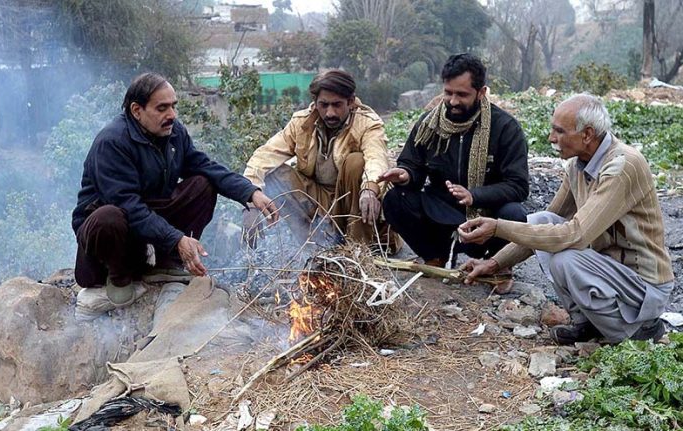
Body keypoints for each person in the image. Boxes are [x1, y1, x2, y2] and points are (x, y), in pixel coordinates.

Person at [459, 94, 674, 345]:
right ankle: (588, 324)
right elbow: (541, 229)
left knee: (565, 259)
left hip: (643, 286)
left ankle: (635, 332)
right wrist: (494, 264)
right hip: (611, 273)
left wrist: (498, 228)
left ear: (587, 134)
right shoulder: (577, 166)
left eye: (559, 132)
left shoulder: (621, 167)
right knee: (541, 220)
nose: (551, 138)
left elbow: (575, 234)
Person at [72, 72, 278, 321]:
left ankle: (167, 265)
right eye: (162, 108)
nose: (172, 115)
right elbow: (128, 206)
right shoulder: (112, 143)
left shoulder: (173, 133)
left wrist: (250, 192)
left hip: (145, 220)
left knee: (203, 184)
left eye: (173, 106)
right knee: (109, 216)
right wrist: (176, 238)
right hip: (114, 232)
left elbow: (205, 166)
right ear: (137, 110)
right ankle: (118, 276)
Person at [380, 53, 529, 283]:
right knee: (395, 199)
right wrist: (406, 174)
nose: (453, 101)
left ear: (481, 92)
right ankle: (435, 257)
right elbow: (412, 164)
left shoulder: (505, 128)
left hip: (486, 216)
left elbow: (518, 186)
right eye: (448, 93)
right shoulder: (429, 124)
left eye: (462, 94)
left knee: (515, 214)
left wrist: (475, 196)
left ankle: (496, 264)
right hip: (442, 212)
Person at [242, 69, 394, 250]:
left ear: (351, 102)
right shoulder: (302, 123)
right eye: (324, 105)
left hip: (354, 203)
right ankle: (314, 248)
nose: (330, 113)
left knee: (356, 162)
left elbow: (377, 160)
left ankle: (357, 250)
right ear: (315, 103)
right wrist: (250, 200)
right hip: (320, 203)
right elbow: (264, 156)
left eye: (337, 105)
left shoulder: (368, 123)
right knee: (272, 174)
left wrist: (370, 189)